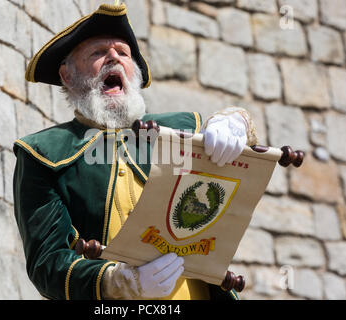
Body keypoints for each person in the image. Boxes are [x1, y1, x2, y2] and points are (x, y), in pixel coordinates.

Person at [13, 2, 257, 300]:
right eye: (98, 52)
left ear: (135, 73)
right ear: (67, 75)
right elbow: (47, 264)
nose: (113, 57)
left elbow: (236, 169)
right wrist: (119, 283)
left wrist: (237, 121)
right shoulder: (42, 154)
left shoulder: (182, 130)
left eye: (123, 53)